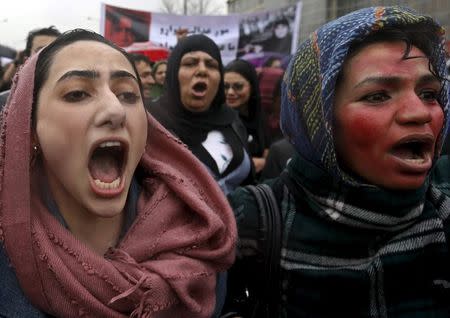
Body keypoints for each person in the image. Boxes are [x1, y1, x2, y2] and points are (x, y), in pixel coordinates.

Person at [226, 6, 450, 317]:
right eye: (377, 96)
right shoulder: (248, 224)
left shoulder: (444, 205)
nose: (420, 112)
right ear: (317, 120)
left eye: (429, 93)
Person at [0, 29, 236, 317]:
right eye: (77, 93)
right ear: (30, 125)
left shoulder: (199, 237)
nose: (115, 110)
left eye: (127, 94)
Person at [148, 34, 254, 195]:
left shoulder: (232, 120)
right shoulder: (149, 122)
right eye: (190, 63)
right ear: (174, 73)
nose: (202, 70)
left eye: (211, 65)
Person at [224, 59, 268, 174]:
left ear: (252, 87)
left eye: (238, 86)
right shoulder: (219, 120)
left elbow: (267, 150)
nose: (230, 92)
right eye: (225, 86)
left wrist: (266, 161)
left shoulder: (259, 116)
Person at [0, 26, 60, 108]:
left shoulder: (76, 97)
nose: (48, 55)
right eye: (40, 50)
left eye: (55, 50)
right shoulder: (6, 103)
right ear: (27, 58)